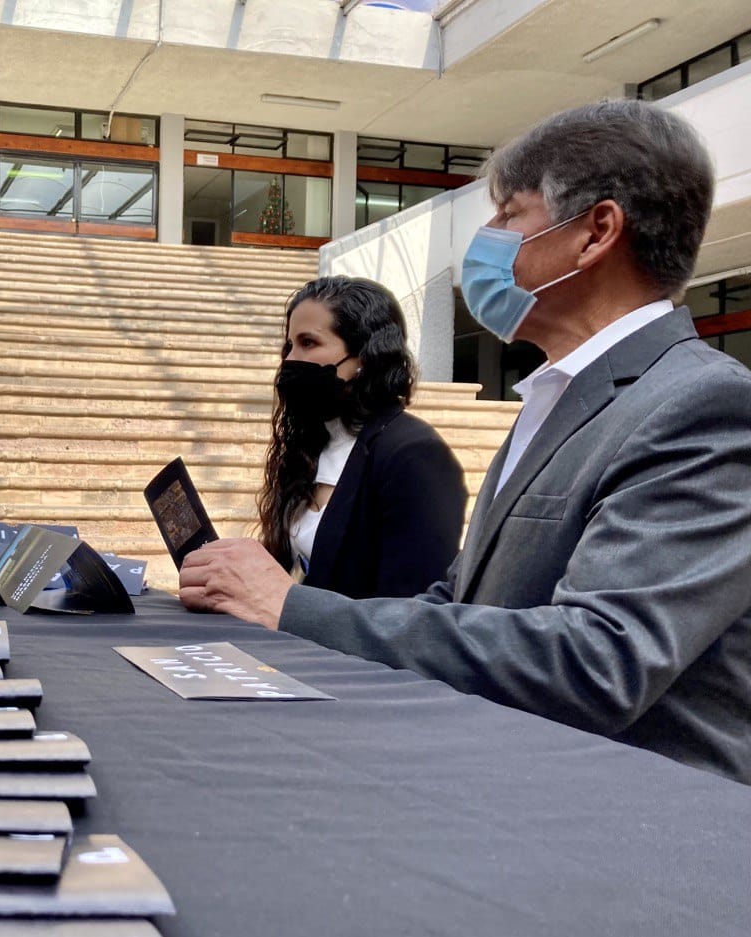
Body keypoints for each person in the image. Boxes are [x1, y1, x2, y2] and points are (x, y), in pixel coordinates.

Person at [180, 99, 751, 785]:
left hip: (632, 823)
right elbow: (459, 600)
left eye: (509, 213)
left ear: (596, 231)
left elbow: (601, 658)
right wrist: (288, 626)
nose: (487, 236)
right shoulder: (562, 394)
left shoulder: (702, 404)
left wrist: (290, 606)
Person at [257, 276, 465, 599]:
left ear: (364, 358)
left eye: (308, 343)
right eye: (289, 346)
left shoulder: (414, 455)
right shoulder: (312, 444)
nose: (289, 361)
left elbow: (411, 613)